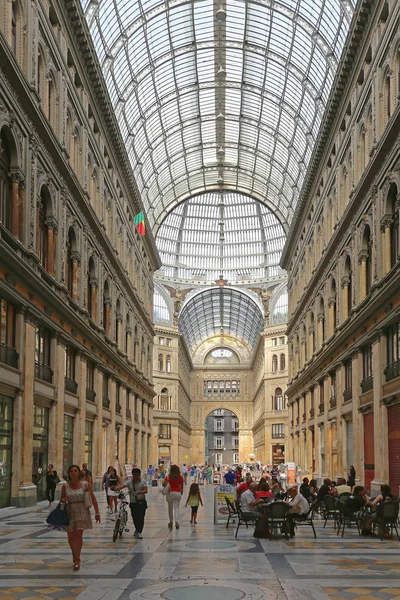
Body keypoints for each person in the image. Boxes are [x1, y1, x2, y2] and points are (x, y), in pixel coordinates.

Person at [61, 464, 100, 570]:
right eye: (71, 471)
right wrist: (64, 500)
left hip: (82, 511)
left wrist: (97, 512)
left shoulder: (85, 485)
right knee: (70, 536)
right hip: (69, 511)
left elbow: (93, 498)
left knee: (78, 534)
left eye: (75, 471)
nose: (73, 472)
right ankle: (74, 554)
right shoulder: (65, 486)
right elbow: (62, 500)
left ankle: (77, 558)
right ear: (69, 474)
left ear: (79, 473)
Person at [118, 467, 148, 539]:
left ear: (139, 474)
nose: (135, 476)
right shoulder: (129, 482)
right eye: (134, 474)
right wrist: (115, 488)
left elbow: (146, 490)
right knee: (135, 517)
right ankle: (137, 529)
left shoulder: (143, 482)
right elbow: (122, 486)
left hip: (141, 502)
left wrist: (138, 492)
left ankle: (139, 531)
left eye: (137, 474)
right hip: (133, 502)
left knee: (141, 517)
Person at [163, 464, 184, 529]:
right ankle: (177, 522)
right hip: (178, 493)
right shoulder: (180, 477)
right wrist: (181, 492)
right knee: (177, 507)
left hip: (170, 492)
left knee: (170, 508)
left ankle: (171, 522)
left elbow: (164, 484)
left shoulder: (168, 476)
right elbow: (182, 486)